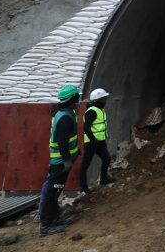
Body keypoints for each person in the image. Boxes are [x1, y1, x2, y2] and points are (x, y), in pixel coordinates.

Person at [39, 84, 81, 237]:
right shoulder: (65, 118)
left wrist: (76, 150)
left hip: (60, 162)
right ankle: (46, 225)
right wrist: (67, 160)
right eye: (77, 98)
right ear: (72, 99)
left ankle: (55, 218)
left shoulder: (63, 112)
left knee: (55, 191)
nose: (79, 100)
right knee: (52, 191)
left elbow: (68, 139)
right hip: (60, 164)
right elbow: (62, 142)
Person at [79, 88, 114, 193]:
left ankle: (104, 179)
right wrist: (93, 140)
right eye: (104, 98)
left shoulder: (100, 110)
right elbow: (86, 127)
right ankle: (84, 189)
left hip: (100, 142)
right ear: (99, 100)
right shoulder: (92, 111)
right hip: (91, 143)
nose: (106, 100)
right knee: (85, 165)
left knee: (106, 159)